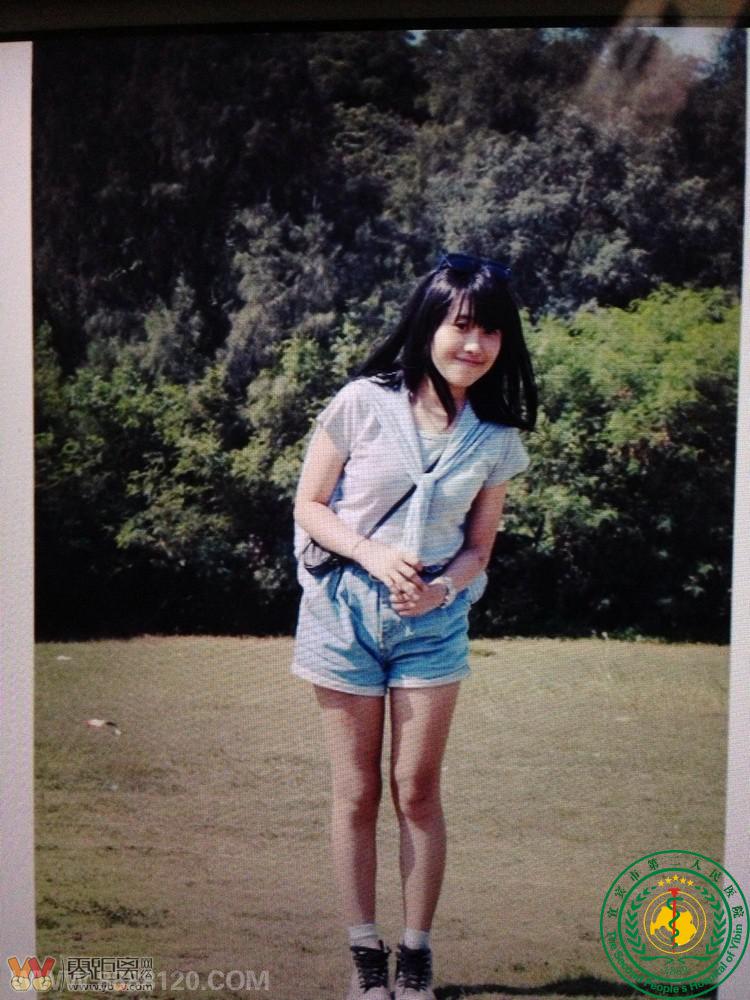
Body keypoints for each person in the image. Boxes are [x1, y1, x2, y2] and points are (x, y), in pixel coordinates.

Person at [291, 252, 537, 1000]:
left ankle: (416, 953)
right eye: (462, 326)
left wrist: (442, 591)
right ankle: (364, 953)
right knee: (355, 791)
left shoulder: (497, 437)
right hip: (342, 614)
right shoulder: (362, 402)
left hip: (432, 626)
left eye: (491, 331)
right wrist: (371, 553)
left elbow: (479, 549)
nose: (475, 344)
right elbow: (309, 505)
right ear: (428, 325)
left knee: (417, 789)